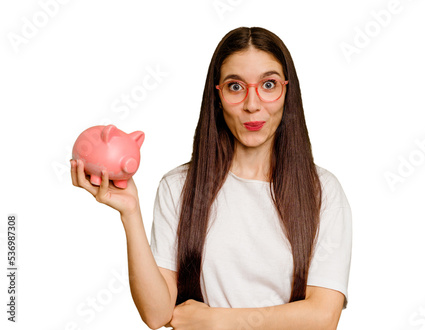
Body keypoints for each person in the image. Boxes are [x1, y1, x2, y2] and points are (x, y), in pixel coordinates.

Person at [71, 26, 352, 330]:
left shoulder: (321, 190)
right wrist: (131, 214)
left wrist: (217, 322)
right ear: (217, 96)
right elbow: (156, 314)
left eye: (268, 84)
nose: (252, 104)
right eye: (235, 87)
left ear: (287, 92)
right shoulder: (178, 186)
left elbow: (323, 317)